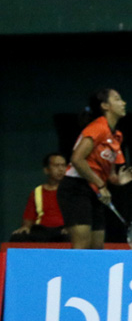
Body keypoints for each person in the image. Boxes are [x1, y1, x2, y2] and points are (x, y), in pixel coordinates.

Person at [57, 88, 132, 249]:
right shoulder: (98, 127)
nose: (123, 103)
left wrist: (119, 180)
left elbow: (110, 175)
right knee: (82, 245)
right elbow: (77, 159)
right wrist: (101, 185)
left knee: (97, 246)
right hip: (75, 188)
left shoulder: (116, 136)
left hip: (95, 191)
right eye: (117, 99)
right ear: (105, 106)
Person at [9, 153, 68, 242]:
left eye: (63, 166)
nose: (61, 169)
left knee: (71, 237)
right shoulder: (37, 192)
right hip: (41, 230)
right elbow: (28, 218)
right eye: (56, 166)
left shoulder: (71, 191)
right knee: (18, 237)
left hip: (63, 230)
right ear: (46, 170)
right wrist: (25, 227)